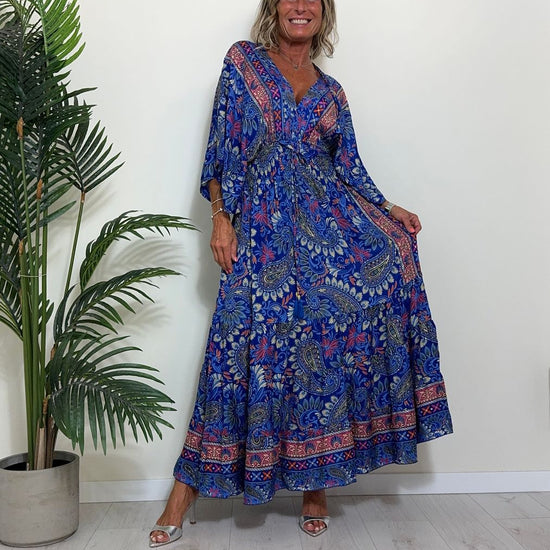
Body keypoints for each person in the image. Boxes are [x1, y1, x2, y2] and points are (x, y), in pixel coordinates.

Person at [149, 0, 453, 546]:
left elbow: (349, 167)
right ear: (275, 7)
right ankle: (183, 492)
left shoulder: (332, 92)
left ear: (323, 13)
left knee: (322, 351)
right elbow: (222, 150)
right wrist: (221, 219)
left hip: (325, 233)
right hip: (261, 230)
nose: (301, 6)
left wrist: (390, 211)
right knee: (232, 353)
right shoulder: (243, 62)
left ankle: (316, 489)